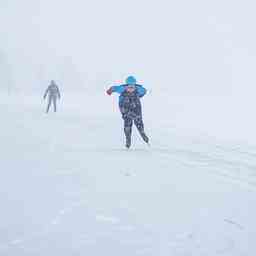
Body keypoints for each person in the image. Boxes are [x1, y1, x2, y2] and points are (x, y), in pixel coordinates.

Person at [106, 76, 149, 149]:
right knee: (127, 123)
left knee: (138, 121)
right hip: (125, 108)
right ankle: (128, 139)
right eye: (129, 87)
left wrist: (143, 92)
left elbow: (144, 90)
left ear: (135, 86)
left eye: (133, 87)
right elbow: (114, 88)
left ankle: (142, 133)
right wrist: (110, 90)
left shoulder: (138, 89)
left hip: (136, 107)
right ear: (126, 86)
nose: (131, 89)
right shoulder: (122, 89)